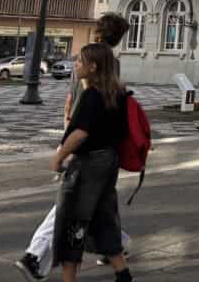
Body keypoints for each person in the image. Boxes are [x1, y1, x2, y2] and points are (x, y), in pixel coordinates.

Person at [16, 14, 131, 282]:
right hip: (96, 145)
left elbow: (74, 101)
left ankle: (35, 256)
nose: (75, 64)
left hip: (84, 139)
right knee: (98, 207)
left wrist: (64, 142)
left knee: (71, 208)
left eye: (79, 63)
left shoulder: (95, 63)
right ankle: (117, 255)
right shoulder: (111, 67)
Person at [50, 42, 134, 282]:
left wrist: (59, 156)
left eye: (79, 61)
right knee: (104, 216)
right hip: (108, 161)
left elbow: (80, 133)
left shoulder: (92, 95)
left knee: (71, 220)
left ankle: (69, 279)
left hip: (87, 164)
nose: (75, 65)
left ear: (93, 67)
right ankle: (122, 273)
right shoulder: (118, 93)